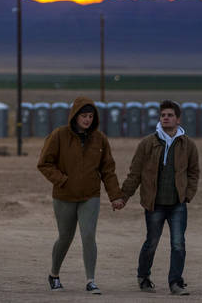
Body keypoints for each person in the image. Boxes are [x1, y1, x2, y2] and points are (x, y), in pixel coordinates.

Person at [37, 96, 124, 295]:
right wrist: (62, 180)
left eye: (91, 116)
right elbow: (44, 163)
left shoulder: (100, 139)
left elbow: (108, 170)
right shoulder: (59, 135)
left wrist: (115, 196)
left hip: (90, 196)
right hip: (64, 196)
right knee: (65, 237)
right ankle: (54, 274)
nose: (87, 120)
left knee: (88, 235)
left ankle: (90, 280)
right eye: (84, 116)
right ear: (75, 116)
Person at [120, 100, 200, 296]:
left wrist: (188, 194)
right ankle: (143, 277)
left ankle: (175, 283)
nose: (166, 118)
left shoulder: (187, 144)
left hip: (178, 204)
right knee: (152, 242)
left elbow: (193, 172)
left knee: (178, 243)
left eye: (170, 115)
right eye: (163, 115)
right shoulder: (148, 143)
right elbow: (135, 172)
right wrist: (123, 196)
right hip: (154, 203)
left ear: (178, 119)